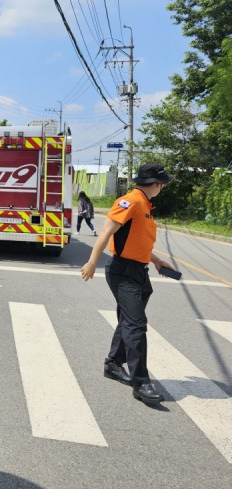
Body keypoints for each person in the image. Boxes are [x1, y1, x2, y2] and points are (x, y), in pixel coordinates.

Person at [80, 163, 176, 406]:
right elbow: (106, 231)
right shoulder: (131, 201)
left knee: (128, 321)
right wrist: (92, 262)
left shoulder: (144, 204)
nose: (162, 188)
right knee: (136, 325)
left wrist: (156, 261)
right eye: (163, 184)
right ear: (157, 184)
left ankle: (113, 364)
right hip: (122, 272)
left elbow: (138, 240)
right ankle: (141, 382)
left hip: (138, 272)